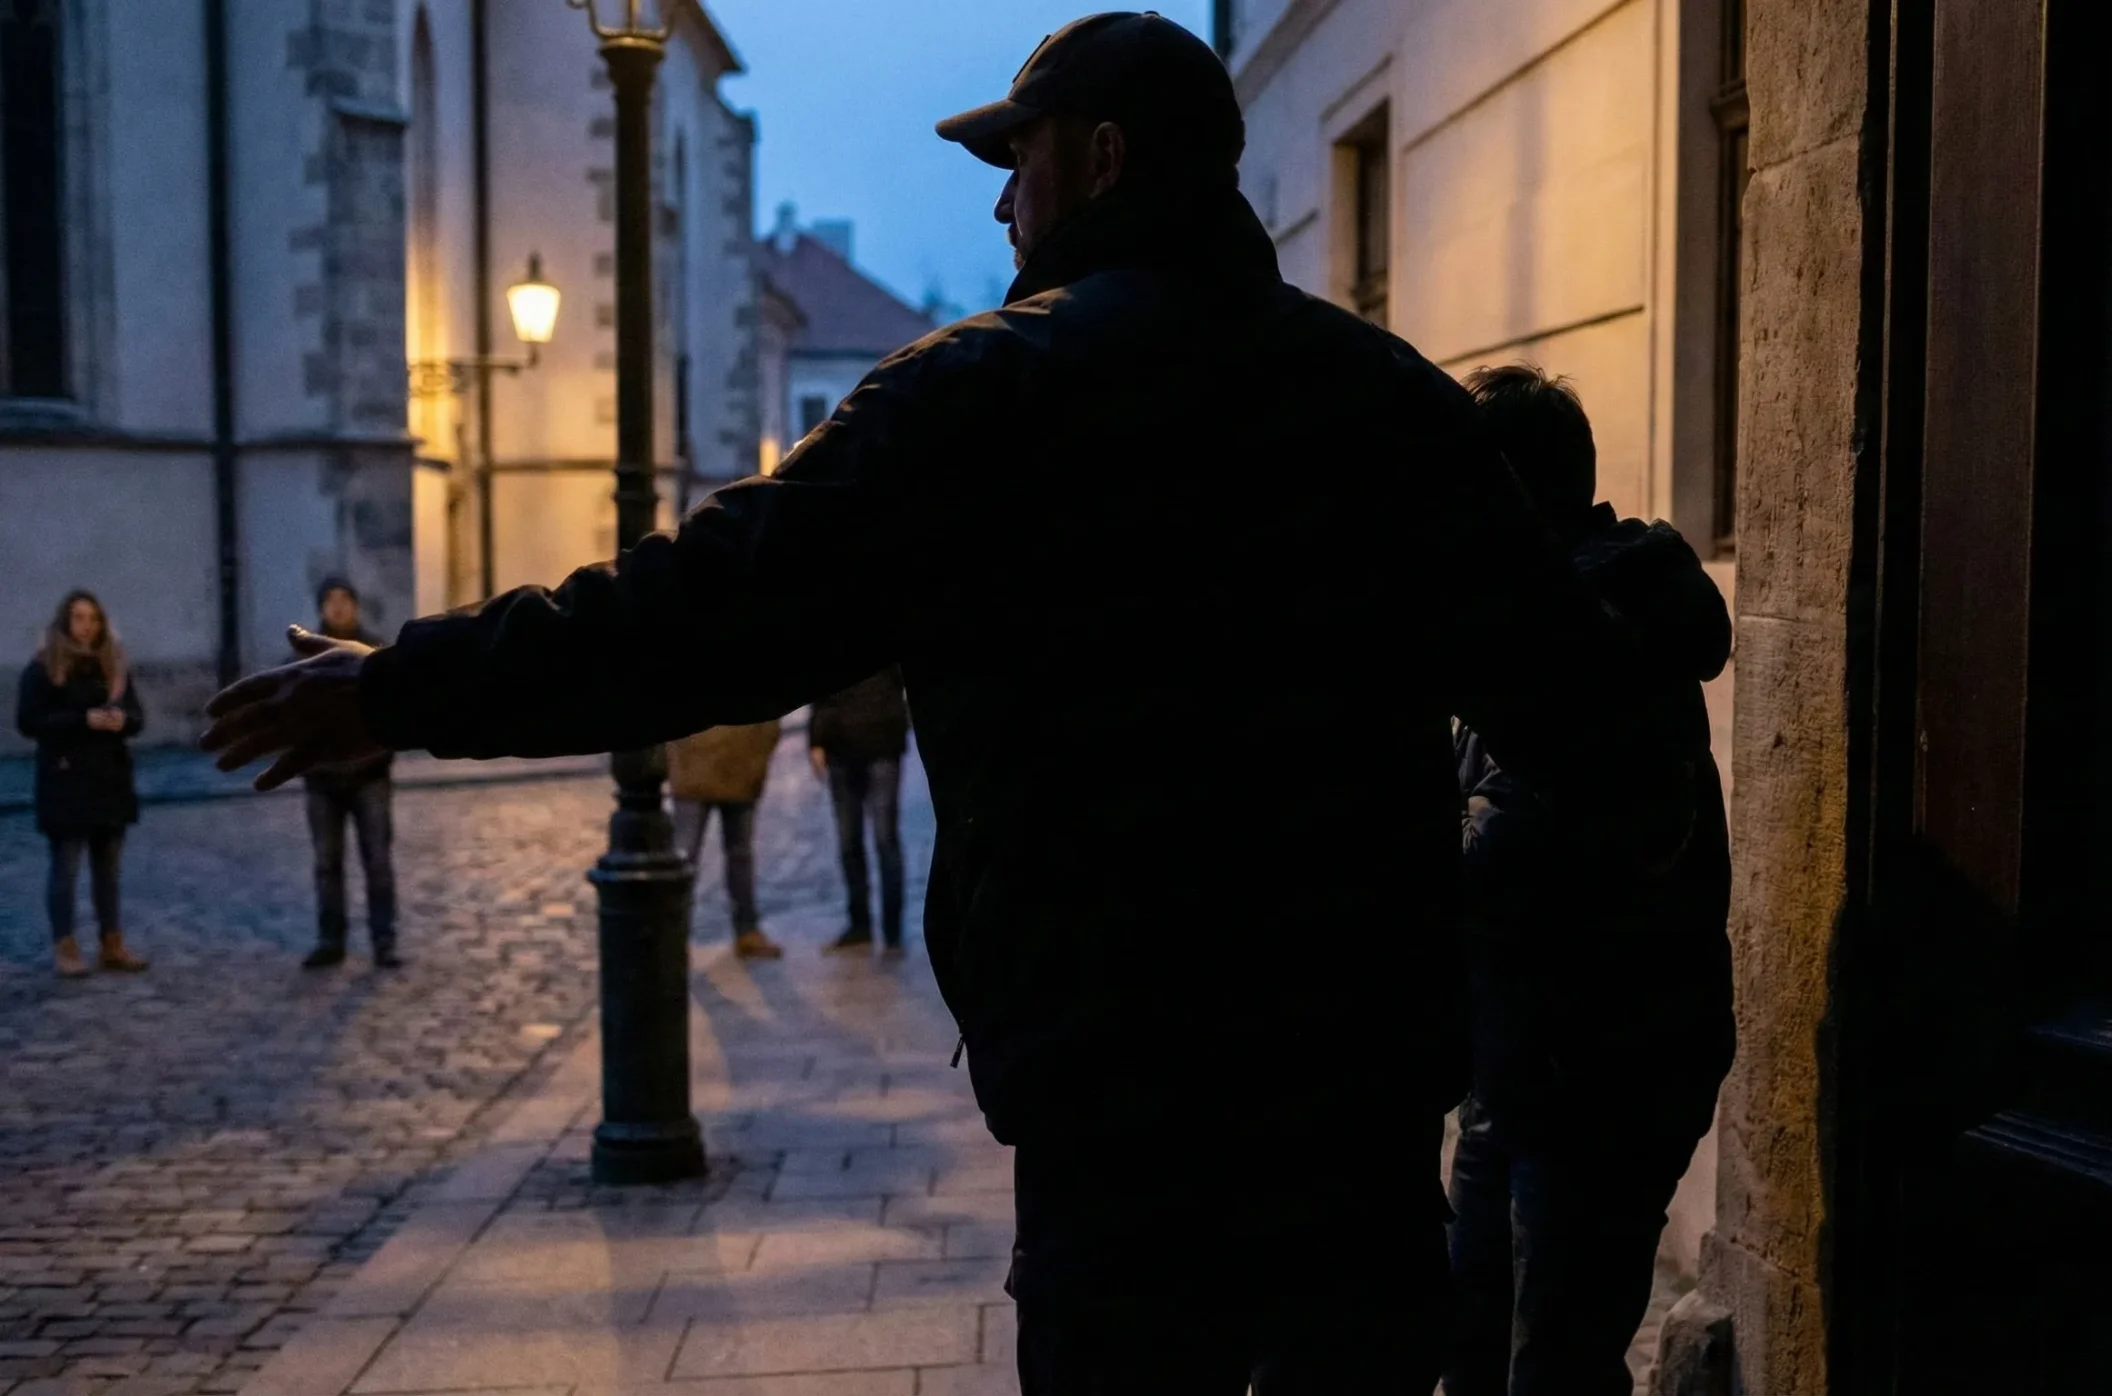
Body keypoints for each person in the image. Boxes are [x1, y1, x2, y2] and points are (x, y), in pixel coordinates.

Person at [200, 13, 1695, 1391]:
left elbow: (693, 618)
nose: (997, 207)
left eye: (1015, 164)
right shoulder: (1390, 402)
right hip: (1353, 1098)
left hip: (1118, 1100)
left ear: (1099, 159)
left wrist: (404, 686)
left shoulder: (985, 395)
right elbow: (1584, 716)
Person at [1441, 367, 1736, 1396]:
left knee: (1550, 1365)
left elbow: (1523, 842)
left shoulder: (1603, 624)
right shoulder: (1529, 612)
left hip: (1607, 1069)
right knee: (1474, 1338)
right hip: (1527, 1060)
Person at [17, 591, 150, 978]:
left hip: (109, 780)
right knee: (66, 869)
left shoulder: (114, 665)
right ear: (65, 622)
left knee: (108, 871)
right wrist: (83, 720)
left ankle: (112, 942)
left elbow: (138, 717)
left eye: (93, 618)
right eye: (79, 618)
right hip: (65, 781)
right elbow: (30, 721)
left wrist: (120, 721)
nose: (86, 626)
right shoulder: (44, 667)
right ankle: (66, 945)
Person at [300, 579, 402, 970]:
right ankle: (331, 940)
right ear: (321, 608)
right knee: (327, 863)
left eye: (345, 600)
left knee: (377, 860)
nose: (339, 608)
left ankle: (384, 939)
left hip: (369, 775)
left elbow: (395, 708)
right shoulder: (305, 653)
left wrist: (381, 749)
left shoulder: (374, 652)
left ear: (357, 606)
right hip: (322, 780)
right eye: (331, 601)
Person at [809, 668, 910, 953]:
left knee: (883, 839)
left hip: (880, 738)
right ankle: (862, 925)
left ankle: (890, 931)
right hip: (844, 741)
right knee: (851, 841)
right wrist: (817, 737)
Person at [666, 719, 785, 959]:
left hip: (738, 765)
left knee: (730, 855)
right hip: (700, 769)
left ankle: (742, 929)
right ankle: (675, 934)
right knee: (688, 857)